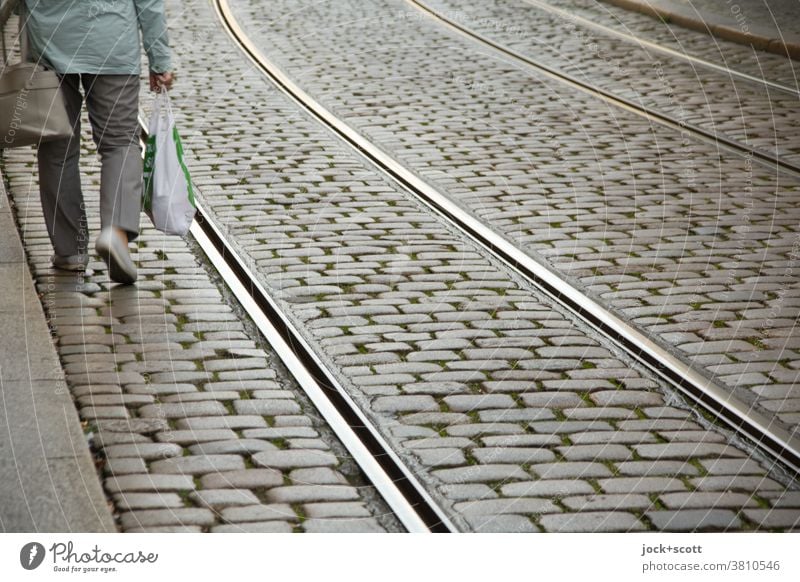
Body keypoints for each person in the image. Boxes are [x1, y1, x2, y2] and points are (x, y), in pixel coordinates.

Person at [22, 0, 174, 284]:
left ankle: (70, 251)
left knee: (56, 146)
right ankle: (115, 230)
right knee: (119, 143)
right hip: (112, 41)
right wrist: (159, 58)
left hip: (50, 42)